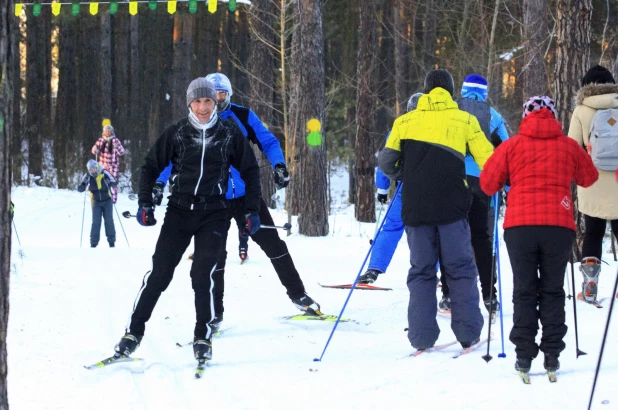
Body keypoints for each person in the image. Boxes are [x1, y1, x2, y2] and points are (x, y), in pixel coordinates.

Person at [113, 78, 261, 363]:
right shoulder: (178, 132)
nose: (204, 107)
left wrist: (251, 210)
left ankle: (202, 337)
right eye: (198, 101)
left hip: (215, 213)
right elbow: (150, 166)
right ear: (189, 103)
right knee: (160, 274)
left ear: (215, 102)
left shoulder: (228, 132)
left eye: (208, 101)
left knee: (202, 274)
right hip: (179, 211)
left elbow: (251, 170)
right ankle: (133, 332)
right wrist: (145, 202)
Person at [156, 73, 320, 330]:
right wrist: (158, 182)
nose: (217, 100)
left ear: (229, 95)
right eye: (213, 95)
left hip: (246, 197)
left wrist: (279, 165)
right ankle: (214, 313)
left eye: (222, 95)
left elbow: (268, 141)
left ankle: (299, 295)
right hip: (214, 201)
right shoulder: (194, 124)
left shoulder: (242, 116)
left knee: (273, 243)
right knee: (214, 255)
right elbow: (171, 157)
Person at [480, 96, 598, 374]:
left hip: (519, 227)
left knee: (524, 290)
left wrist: (509, 177)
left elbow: (487, 184)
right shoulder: (568, 146)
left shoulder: (511, 146)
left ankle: (523, 354)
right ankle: (552, 354)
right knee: (553, 290)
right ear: (554, 116)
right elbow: (589, 178)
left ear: (526, 115)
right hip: (558, 226)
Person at [379, 69, 493, 351]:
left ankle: (421, 337)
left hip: (416, 208)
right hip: (453, 207)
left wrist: (405, 171)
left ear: (426, 91)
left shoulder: (404, 122)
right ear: (452, 91)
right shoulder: (465, 120)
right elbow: (488, 160)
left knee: (421, 271)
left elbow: (386, 163)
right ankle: (468, 333)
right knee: (460, 268)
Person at [438, 74, 510, 315]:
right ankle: (490, 296)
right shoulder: (493, 115)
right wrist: (508, 187)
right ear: (484, 92)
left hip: (452, 179)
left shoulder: (452, 108)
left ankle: (448, 294)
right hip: (482, 181)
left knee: (451, 237)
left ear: (463, 88)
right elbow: (505, 151)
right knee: (482, 238)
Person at [359, 93, 423, 285]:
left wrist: (383, 188)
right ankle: (432, 271)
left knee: (391, 227)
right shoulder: (436, 127)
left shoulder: (401, 126)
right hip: (433, 190)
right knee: (429, 231)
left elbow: (386, 158)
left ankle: (374, 269)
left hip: (406, 188)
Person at [567, 65, 618, 304]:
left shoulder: (581, 110)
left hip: (592, 181)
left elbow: (571, 147)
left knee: (593, 233)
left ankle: (589, 287)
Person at [78, 159, 117, 248]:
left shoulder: (104, 173)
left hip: (107, 200)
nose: (92, 171)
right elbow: (82, 185)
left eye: (93, 169)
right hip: (95, 201)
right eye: (90, 170)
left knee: (109, 221)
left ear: (96, 167)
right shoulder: (88, 176)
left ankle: (111, 242)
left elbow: (114, 183)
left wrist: (110, 183)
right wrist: (81, 187)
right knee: (96, 222)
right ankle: (93, 243)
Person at [91, 124, 125, 203]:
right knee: (102, 181)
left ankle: (113, 199)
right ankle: (102, 197)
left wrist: (117, 147)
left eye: (109, 131)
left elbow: (122, 152)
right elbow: (94, 151)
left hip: (113, 165)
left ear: (112, 132)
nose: (107, 133)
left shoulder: (115, 140)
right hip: (102, 165)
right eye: (106, 131)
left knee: (113, 181)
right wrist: (95, 148)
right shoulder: (100, 140)